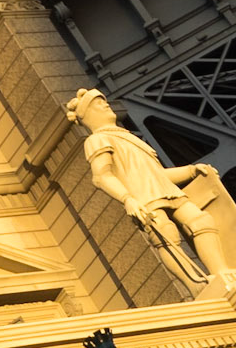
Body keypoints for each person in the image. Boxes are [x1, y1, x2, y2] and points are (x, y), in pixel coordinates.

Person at [67, 88, 236, 292]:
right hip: (142, 197)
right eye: (98, 103)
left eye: (104, 101)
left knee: (201, 221)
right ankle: (196, 285)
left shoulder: (127, 137)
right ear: (89, 114)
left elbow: (158, 174)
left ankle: (220, 272)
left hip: (164, 190)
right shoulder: (96, 140)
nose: (105, 104)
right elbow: (101, 176)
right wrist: (127, 199)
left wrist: (191, 171)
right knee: (165, 236)